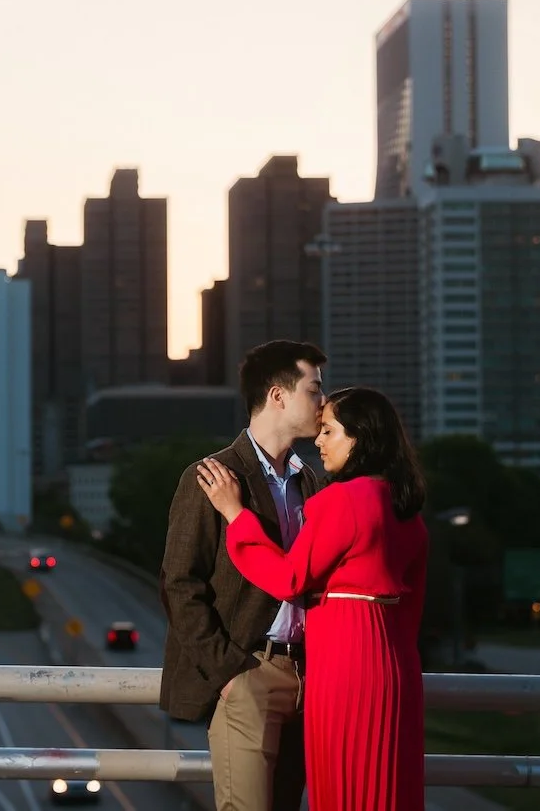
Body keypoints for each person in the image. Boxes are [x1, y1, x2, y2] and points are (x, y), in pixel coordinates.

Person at [195, 386, 428, 811]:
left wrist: (235, 514)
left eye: (329, 431)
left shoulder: (341, 500)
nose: (318, 441)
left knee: (344, 788)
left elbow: (288, 578)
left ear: (360, 438)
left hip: (345, 666)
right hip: (396, 672)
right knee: (387, 790)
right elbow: (411, 615)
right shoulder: (406, 510)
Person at [159, 340, 328, 811]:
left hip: (307, 678)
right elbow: (179, 584)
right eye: (314, 390)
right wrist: (230, 672)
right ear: (278, 396)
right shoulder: (211, 476)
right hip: (250, 672)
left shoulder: (310, 481)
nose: (323, 402)